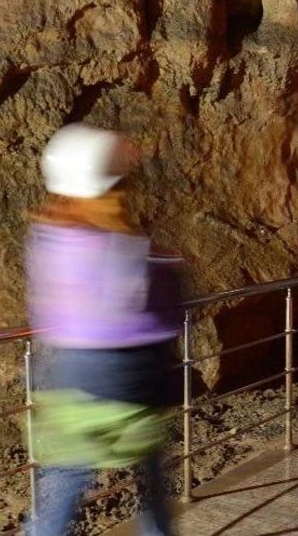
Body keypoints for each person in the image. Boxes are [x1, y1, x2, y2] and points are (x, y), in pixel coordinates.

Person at [25, 123, 183, 536]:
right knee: (150, 484)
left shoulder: (48, 237)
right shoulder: (127, 246)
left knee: (61, 486)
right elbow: (158, 312)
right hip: (129, 378)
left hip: (67, 376)